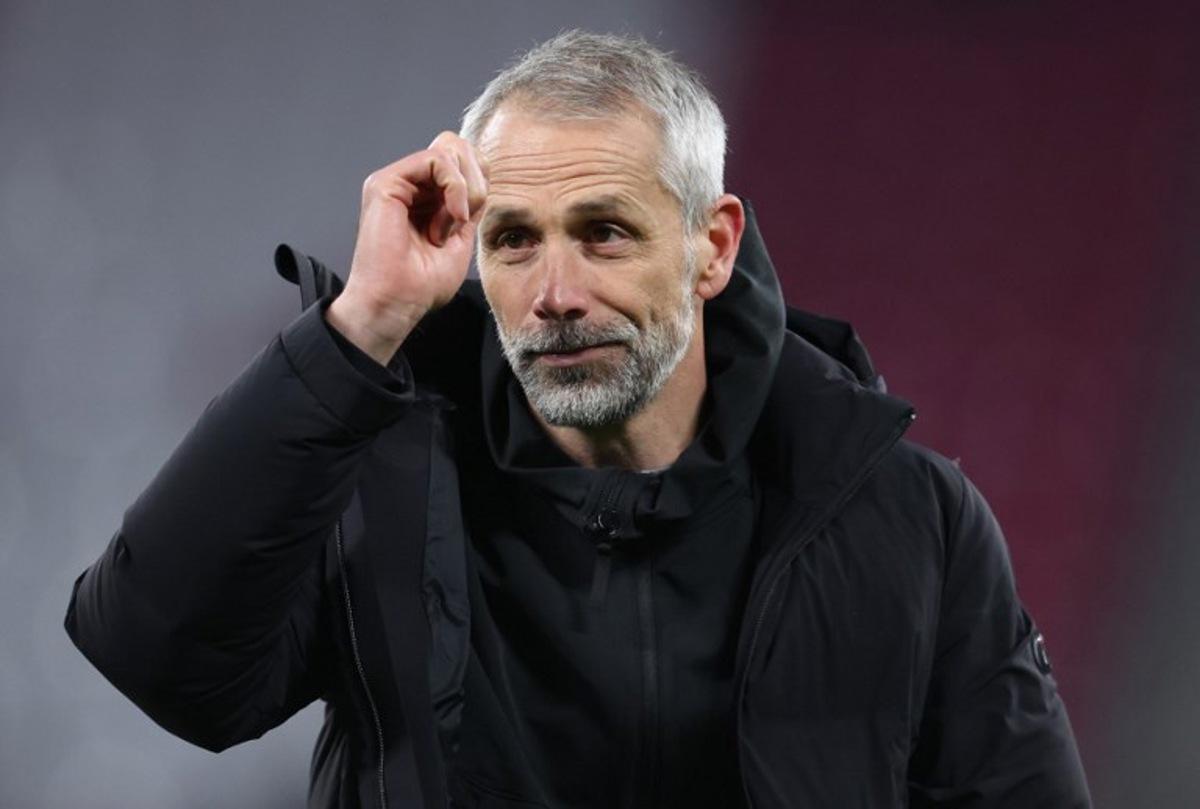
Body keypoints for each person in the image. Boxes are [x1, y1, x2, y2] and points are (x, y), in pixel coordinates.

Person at [66, 30, 1092, 809]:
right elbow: (158, 660)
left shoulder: (911, 519)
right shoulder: (371, 476)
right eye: (513, 241)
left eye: (604, 232)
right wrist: (358, 326)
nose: (555, 291)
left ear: (713, 244)